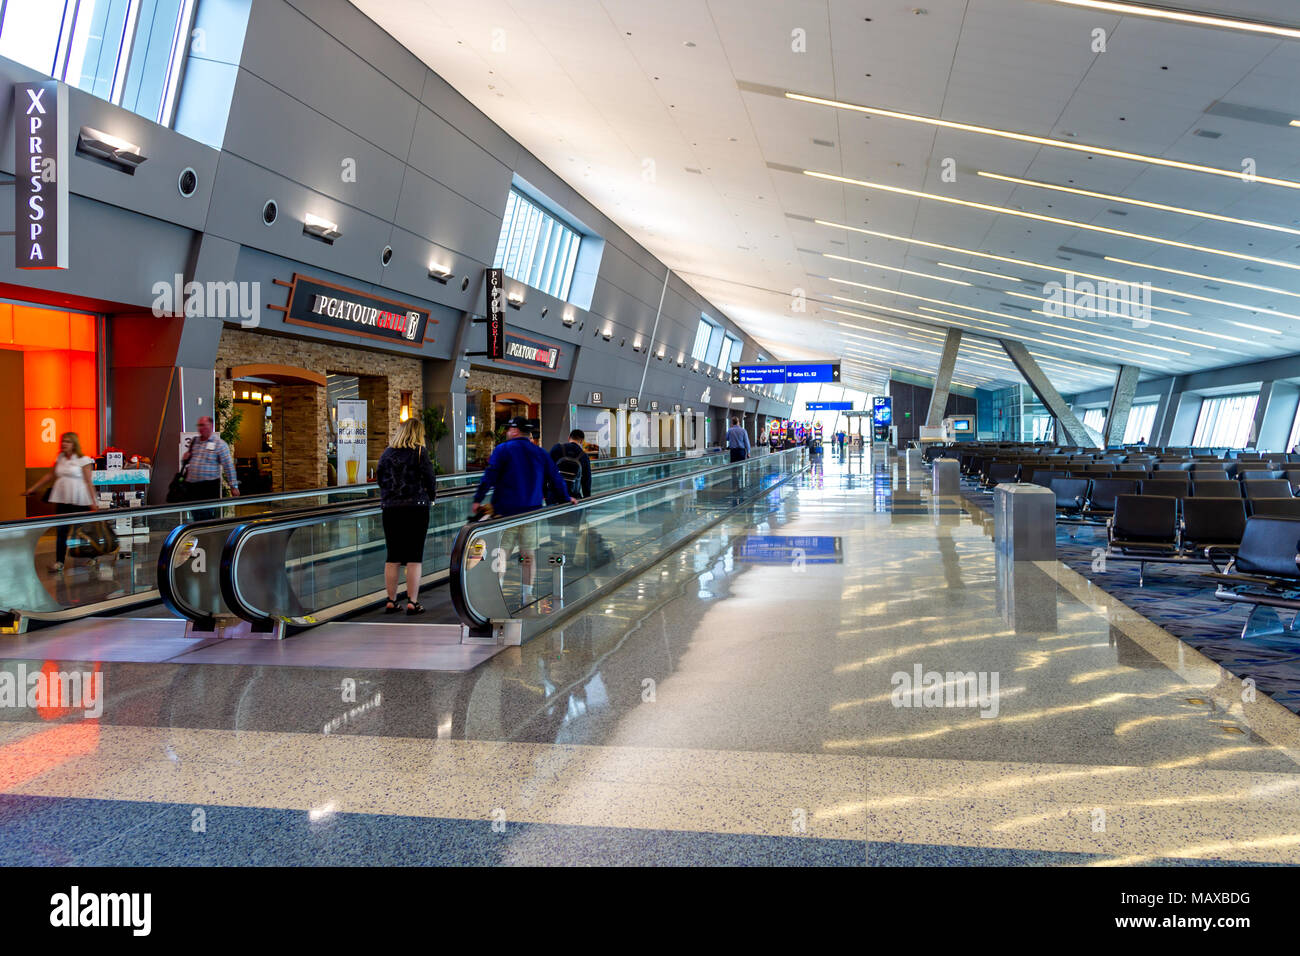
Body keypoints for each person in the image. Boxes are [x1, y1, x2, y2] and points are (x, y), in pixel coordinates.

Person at [472, 416, 577, 603]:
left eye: (509, 429)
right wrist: (566, 498)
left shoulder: (503, 449)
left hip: (505, 513)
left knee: (501, 554)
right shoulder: (539, 452)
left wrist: (478, 499)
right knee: (527, 554)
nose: (507, 433)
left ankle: (498, 594)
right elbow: (555, 476)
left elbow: (489, 476)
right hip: (531, 513)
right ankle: (527, 594)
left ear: (515, 431)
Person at [375, 418, 437, 615]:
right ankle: (412, 601)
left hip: (391, 509)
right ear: (418, 433)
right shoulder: (420, 452)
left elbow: (380, 479)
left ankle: (391, 601)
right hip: (417, 508)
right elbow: (430, 479)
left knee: (393, 556)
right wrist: (431, 497)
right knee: (414, 557)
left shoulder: (387, 453)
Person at [24, 432, 99, 572]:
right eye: (63, 441)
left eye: (68, 441)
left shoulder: (84, 460)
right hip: (62, 498)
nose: (64, 443)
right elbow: (50, 475)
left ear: (74, 444)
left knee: (81, 531)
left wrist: (93, 501)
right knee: (62, 531)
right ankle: (59, 562)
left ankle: (93, 556)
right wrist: (32, 488)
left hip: (79, 500)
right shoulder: (60, 458)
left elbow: (89, 482)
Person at [182, 415, 239, 501]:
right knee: (194, 513)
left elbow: (228, 466)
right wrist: (185, 458)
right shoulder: (194, 441)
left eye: (204, 425)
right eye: (199, 425)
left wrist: (233, 486)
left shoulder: (219, 444)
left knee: (207, 513)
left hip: (208, 487)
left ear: (211, 426)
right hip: (192, 486)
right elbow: (186, 461)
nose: (201, 428)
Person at [550, 429, 592, 500]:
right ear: (581, 441)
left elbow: (546, 469)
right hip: (573, 496)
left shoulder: (557, 448)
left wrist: (544, 491)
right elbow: (586, 479)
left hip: (554, 493)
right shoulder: (584, 456)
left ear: (569, 438)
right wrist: (587, 497)